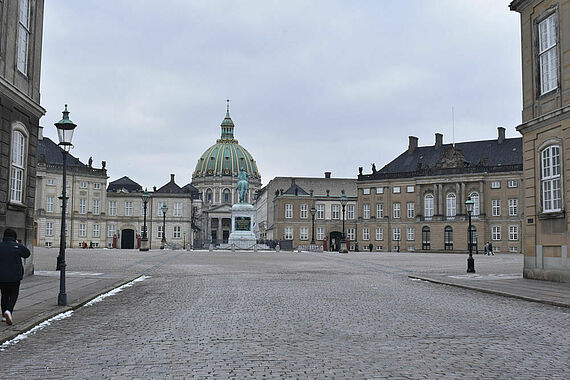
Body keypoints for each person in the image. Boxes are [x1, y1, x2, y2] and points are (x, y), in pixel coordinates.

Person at [0, 228, 31, 325]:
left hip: (1, 276)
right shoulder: (17, 246)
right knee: (14, 294)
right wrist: (18, 244)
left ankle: (4, 316)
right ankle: (8, 311)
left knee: (4, 295)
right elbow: (27, 254)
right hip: (14, 276)